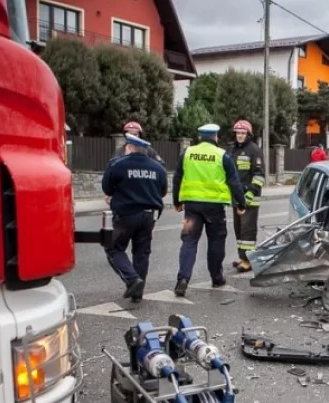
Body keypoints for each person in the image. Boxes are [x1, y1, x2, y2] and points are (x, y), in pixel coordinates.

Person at [172, 123, 247, 297]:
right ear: (215, 137)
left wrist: (177, 201)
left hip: (191, 208)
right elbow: (234, 182)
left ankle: (182, 279)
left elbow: (177, 179)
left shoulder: (187, 154)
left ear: (200, 138)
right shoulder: (223, 156)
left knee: (188, 241)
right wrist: (241, 204)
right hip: (215, 208)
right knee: (216, 241)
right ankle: (217, 277)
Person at [101, 133, 168, 303]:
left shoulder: (118, 165)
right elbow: (163, 191)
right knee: (141, 253)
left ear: (129, 148)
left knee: (113, 248)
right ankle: (138, 293)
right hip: (149, 216)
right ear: (146, 150)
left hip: (126, 215)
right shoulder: (158, 168)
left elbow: (107, 188)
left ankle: (132, 280)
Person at [227, 119, 265, 272]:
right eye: (238, 133)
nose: (240, 136)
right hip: (236, 198)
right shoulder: (233, 150)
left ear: (248, 134)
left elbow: (260, 176)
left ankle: (248, 260)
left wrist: (249, 195)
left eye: (243, 133)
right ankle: (242, 256)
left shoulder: (254, 150)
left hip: (250, 198)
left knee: (248, 229)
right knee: (238, 229)